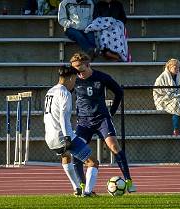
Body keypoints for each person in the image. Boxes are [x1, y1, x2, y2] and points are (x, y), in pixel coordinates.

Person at [69, 52, 136, 193]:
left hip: (101, 119)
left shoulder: (101, 77)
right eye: (74, 69)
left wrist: (111, 112)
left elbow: (119, 92)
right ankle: (82, 185)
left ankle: (129, 181)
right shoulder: (73, 79)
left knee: (114, 146)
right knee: (77, 152)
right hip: (83, 122)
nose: (77, 72)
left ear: (87, 65)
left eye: (79, 68)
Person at [44, 65, 99, 197]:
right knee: (93, 162)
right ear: (69, 78)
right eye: (74, 79)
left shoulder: (50, 91)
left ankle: (77, 188)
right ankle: (88, 192)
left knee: (66, 157)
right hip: (63, 135)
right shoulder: (65, 93)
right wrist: (68, 137)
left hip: (50, 137)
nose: (74, 83)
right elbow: (63, 117)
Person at [153, 58, 180, 136]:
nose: (177, 69)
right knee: (177, 101)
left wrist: (178, 95)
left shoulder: (178, 76)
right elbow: (163, 93)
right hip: (163, 100)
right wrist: (176, 95)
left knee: (177, 103)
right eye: (175, 67)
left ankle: (176, 130)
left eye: (178, 67)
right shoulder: (162, 77)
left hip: (175, 99)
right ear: (169, 67)